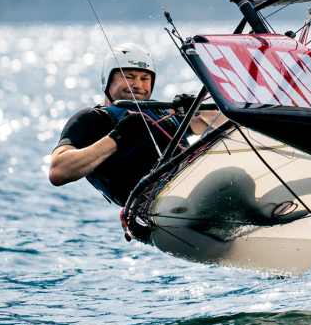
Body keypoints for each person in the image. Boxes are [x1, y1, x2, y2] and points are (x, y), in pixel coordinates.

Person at [48, 43, 205, 206]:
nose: (138, 85)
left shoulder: (163, 112)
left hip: (198, 189)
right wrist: (118, 137)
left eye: (145, 78)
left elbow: (221, 122)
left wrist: (196, 109)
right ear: (107, 80)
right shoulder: (92, 119)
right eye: (128, 77)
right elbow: (57, 171)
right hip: (151, 207)